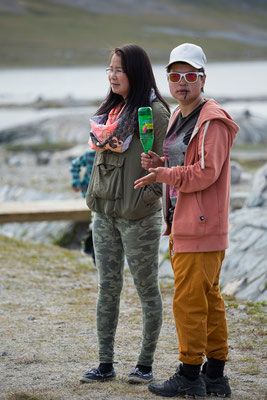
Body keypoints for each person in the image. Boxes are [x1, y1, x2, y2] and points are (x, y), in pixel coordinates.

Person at [134, 43, 239, 398]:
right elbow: (178, 162)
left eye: (190, 75)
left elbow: (206, 172)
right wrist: (156, 166)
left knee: (189, 301)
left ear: (203, 79)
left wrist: (165, 174)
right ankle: (215, 376)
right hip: (184, 221)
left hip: (203, 223)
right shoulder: (180, 114)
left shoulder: (214, 119)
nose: (182, 82)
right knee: (207, 299)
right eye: (175, 75)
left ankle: (190, 373)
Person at [80, 44, 170, 384]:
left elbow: (168, 165)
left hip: (139, 218)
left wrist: (147, 197)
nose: (113, 75)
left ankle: (145, 364)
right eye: (110, 69)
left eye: (119, 69)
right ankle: (105, 364)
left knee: (147, 289)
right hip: (103, 213)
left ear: (136, 72)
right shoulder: (113, 110)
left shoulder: (156, 113)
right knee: (108, 287)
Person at [69, 150, 96, 262]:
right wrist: (76, 183)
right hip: (90, 194)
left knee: (96, 219)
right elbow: (75, 164)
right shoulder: (90, 156)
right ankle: (90, 245)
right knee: (96, 219)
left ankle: (89, 245)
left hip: (106, 196)